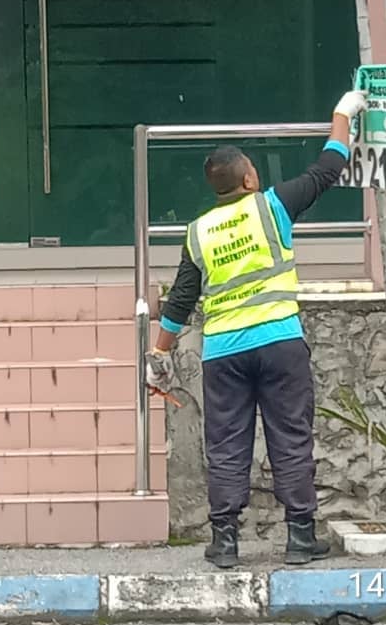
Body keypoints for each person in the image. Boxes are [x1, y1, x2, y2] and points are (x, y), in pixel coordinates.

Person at [145, 89, 368, 569]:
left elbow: (181, 298)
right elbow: (328, 168)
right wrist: (342, 113)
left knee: (227, 443)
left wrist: (158, 354)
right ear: (248, 178)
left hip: (223, 352)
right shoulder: (272, 206)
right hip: (279, 342)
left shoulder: (199, 232)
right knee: (290, 437)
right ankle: (300, 537)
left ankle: (225, 541)